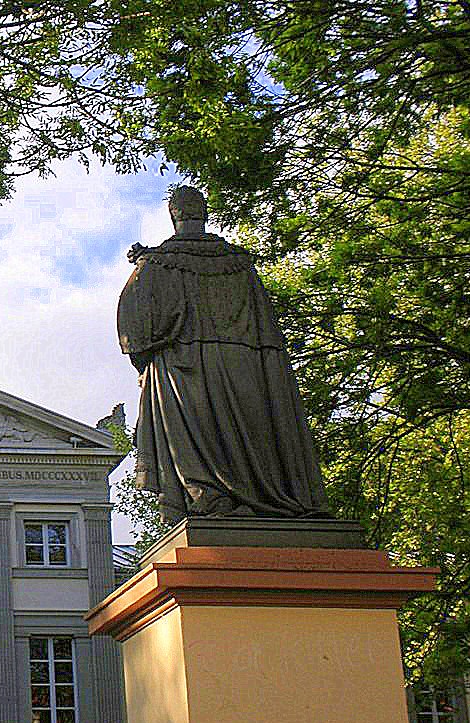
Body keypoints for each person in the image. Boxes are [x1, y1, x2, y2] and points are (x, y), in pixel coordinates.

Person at [117, 186, 329, 523]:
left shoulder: (156, 264)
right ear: (205, 213)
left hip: (183, 369)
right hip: (246, 367)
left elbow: (135, 332)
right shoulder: (239, 265)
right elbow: (269, 334)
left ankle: (209, 499)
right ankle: (264, 497)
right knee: (251, 439)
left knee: (196, 447)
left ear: (174, 215)